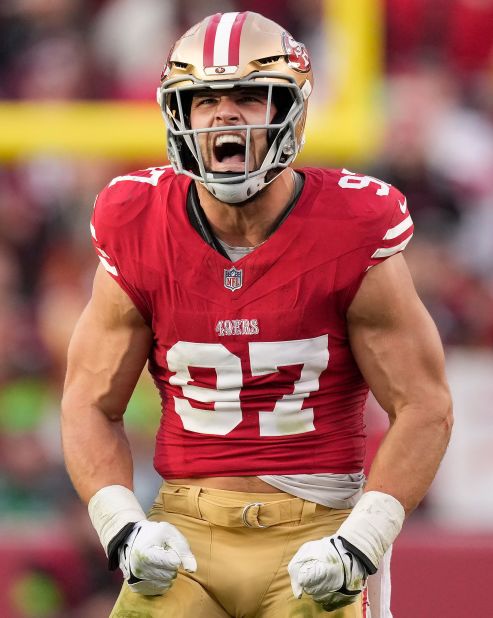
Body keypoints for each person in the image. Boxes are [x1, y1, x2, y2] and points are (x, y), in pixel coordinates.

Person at [61, 11, 453, 618]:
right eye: (205, 99)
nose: (224, 115)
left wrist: (363, 539)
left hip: (319, 533)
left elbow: (425, 405)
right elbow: (89, 401)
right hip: (186, 529)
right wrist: (123, 526)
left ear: (291, 111)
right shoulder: (136, 219)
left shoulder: (352, 226)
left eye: (248, 96)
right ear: (178, 113)